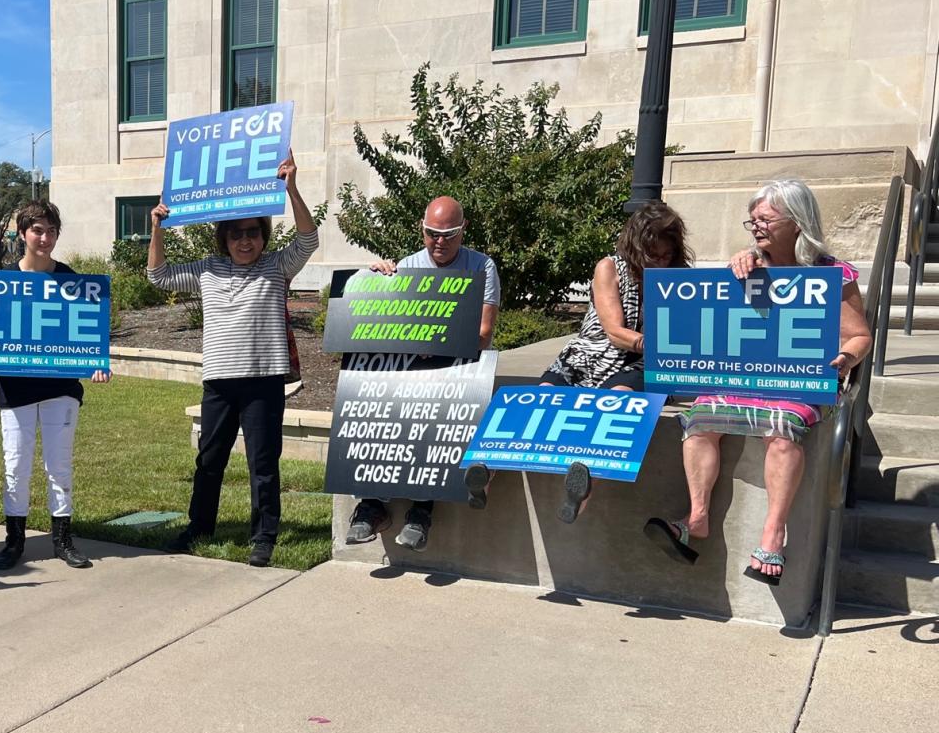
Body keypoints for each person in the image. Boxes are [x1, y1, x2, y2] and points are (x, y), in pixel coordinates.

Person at [645, 179, 873, 584]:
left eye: (765, 219)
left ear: (797, 221)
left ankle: (773, 534)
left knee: (782, 428)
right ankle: (696, 518)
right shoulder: (747, 266)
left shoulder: (831, 274)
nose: (756, 228)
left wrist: (846, 358)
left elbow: (860, 336)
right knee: (700, 419)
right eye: (752, 222)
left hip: (801, 382)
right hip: (747, 377)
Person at [147, 152, 318, 568]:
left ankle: (263, 537)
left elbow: (309, 240)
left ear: (263, 236)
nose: (246, 241)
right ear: (223, 238)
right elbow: (158, 276)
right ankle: (198, 527)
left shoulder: (278, 266)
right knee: (209, 461)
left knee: (263, 464)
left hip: (263, 382)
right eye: (237, 234)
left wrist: (291, 188)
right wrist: (156, 228)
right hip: (220, 382)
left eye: (254, 233)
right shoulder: (207, 269)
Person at [345, 196, 501, 550]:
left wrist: (438, 340)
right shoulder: (407, 266)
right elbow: (385, 325)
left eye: (448, 234)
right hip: (414, 365)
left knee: (434, 409)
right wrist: (370, 280)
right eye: (432, 234)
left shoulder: (481, 267)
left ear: (464, 230)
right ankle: (371, 505)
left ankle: (421, 511)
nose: (439, 242)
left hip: (461, 366)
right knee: (375, 401)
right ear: (422, 228)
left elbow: (483, 334)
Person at [0, 200, 109, 571]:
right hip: (15, 391)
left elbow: (87, 337)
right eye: (37, 230)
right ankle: (15, 540)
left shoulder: (72, 280)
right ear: (23, 234)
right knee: (16, 465)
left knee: (59, 465)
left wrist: (95, 365)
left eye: (51, 231)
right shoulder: (1, 283)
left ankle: (62, 539)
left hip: (61, 389)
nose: (45, 238)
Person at [537, 200, 692, 523]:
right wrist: (652, 343)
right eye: (653, 256)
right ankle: (487, 471)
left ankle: (581, 489)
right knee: (541, 396)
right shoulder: (609, 267)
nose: (660, 264)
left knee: (617, 401)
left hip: (640, 364)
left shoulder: (682, 279)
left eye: (666, 256)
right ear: (637, 247)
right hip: (591, 353)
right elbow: (613, 331)